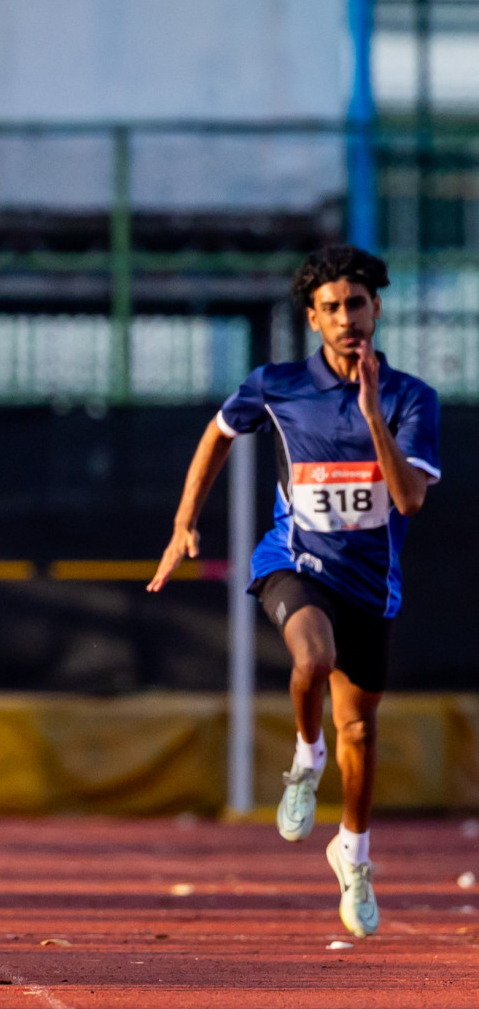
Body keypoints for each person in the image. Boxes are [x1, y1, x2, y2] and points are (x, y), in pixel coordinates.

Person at [148, 245, 439, 938]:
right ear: (313, 318)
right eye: (332, 308)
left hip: (369, 581)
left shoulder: (409, 399)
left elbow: (409, 498)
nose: (347, 319)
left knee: (362, 731)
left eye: (357, 305)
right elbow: (217, 435)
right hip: (295, 563)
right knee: (311, 659)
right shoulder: (276, 386)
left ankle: (355, 854)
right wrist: (184, 523)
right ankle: (305, 760)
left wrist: (372, 416)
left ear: (376, 310)